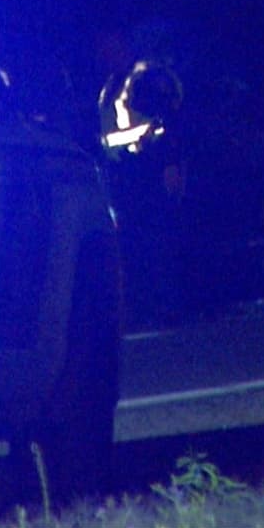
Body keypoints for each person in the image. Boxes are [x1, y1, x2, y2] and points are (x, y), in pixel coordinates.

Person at [97, 56, 187, 329]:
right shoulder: (112, 82)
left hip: (147, 171)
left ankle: (164, 306)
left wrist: (169, 163)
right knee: (134, 242)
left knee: (156, 239)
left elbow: (167, 124)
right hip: (126, 174)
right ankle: (145, 307)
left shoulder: (147, 77)